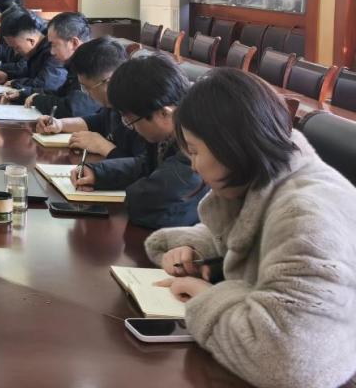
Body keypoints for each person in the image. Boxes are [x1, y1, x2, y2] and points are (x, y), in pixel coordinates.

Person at [146, 69, 356, 388]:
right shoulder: (268, 179)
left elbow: (289, 361)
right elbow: (248, 236)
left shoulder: (305, 215)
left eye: (195, 151)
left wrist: (207, 297)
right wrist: (193, 249)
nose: (193, 165)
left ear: (230, 146)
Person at [70, 52, 206, 229]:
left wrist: (131, 196)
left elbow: (154, 204)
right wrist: (98, 173)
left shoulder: (199, 141)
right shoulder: (172, 131)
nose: (132, 128)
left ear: (164, 113)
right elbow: (146, 165)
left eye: (131, 120)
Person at [34, 37, 145, 160]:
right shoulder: (114, 104)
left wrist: (104, 147)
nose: (86, 93)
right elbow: (100, 121)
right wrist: (60, 124)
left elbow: (144, 165)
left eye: (87, 87)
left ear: (109, 81)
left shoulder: (141, 110)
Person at [23, 11, 99, 118]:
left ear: (74, 43)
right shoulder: (75, 64)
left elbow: (72, 109)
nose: (51, 52)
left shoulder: (94, 64)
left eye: (54, 45)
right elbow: (61, 95)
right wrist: (26, 94)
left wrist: (37, 100)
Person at [0, 10, 66, 99]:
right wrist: (6, 77)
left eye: (16, 48)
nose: (15, 52)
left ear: (31, 41)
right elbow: (27, 74)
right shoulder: (35, 52)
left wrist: (14, 83)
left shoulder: (54, 53)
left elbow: (45, 85)